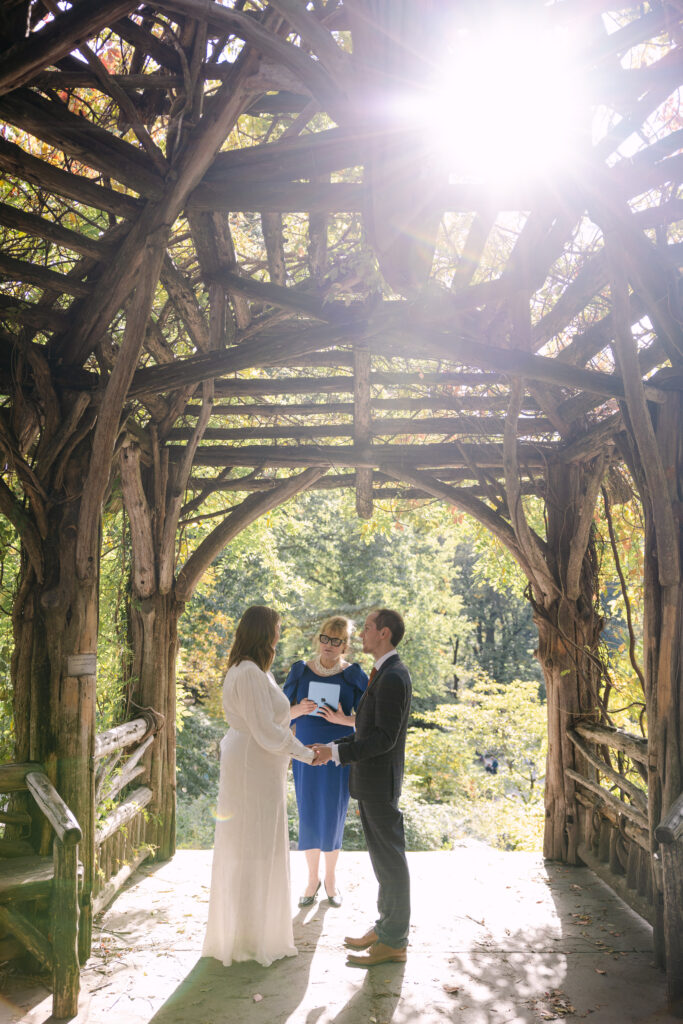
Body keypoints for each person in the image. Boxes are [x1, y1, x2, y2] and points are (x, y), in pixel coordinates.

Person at [202, 605, 314, 967]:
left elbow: (267, 718)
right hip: (253, 765)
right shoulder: (249, 672)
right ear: (265, 632)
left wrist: (295, 717)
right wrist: (307, 754)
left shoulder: (252, 671)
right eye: (277, 628)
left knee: (258, 844)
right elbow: (265, 732)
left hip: (259, 764)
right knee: (253, 844)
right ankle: (248, 939)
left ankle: (254, 931)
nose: (280, 635)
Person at [311, 608, 412, 967]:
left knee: (391, 863)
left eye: (367, 628)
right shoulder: (382, 673)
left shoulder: (394, 677)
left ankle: (395, 941)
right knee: (383, 863)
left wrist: (336, 752)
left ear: (383, 633)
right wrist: (333, 747)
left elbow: (383, 740)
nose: (362, 634)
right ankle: (386, 929)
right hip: (370, 783)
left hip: (380, 785)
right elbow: (367, 731)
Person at [284, 616, 368, 908]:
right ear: (317, 639)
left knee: (333, 816)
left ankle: (330, 880)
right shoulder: (299, 671)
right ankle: (311, 879)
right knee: (308, 814)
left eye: (336, 641)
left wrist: (342, 719)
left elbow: (370, 721)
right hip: (305, 753)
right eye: (325, 638)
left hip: (337, 755)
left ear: (345, 646)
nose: (329, 646)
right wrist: (298, 709)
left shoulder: (354, 675)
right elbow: (279, 715)